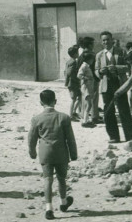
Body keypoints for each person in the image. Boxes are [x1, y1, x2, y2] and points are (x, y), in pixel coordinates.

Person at [28, 89, 77, 220]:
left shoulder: (36, 119)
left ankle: (49, 208)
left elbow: (31, 139)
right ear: (55, 101)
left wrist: (32, 152)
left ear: (40, 102)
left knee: (47, 180)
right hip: (61, 153)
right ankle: (64, 202)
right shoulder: (64, 117)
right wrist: (74, 154)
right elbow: (70, 138)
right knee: (61, 179)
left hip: (45, 154)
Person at [95, 31, 132, 143]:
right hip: (106, 86)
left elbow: (128, 67)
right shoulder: (99, 55)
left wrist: (116, 68)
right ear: (101, 41)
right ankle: (114, 137)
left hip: (119, 85)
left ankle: (130, 137)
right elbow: (96, 70)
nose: (106, 42)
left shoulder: (121, 52)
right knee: (108, 112)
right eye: (103, 40)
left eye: (108, 39)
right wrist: (100, 72)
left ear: (112, 40)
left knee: (124, 111)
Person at [77, 51, 96, 127]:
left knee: (88, 104)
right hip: (86, 87)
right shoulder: (84, 66)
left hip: (89, 86)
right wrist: (86, 78)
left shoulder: (86, 66)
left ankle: (86, 119)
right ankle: (85, 120)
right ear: (88, 59)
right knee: (89, 104)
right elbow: (79, 75)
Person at [64, 45, 81, 120]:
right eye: (77, 53)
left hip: (72, 83)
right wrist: (77, 79)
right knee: (74, 99)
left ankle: (74, 112)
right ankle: (71, 115)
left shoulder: (69, 61)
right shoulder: (73, 62)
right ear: (74, 54)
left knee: (80, 97)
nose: (78, 54)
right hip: (73, 83)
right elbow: (69, 73)